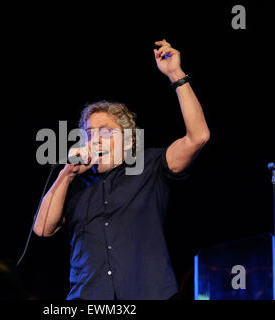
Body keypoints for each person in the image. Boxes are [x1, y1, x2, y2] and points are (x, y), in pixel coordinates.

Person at [33, 39, 210, 300]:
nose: (97, 139)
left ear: (128, 139)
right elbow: (42, 229)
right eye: (91, 133)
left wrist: (176, 75)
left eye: (107, 132)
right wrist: (66, 173)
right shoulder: (75, 183)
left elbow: (199, 137)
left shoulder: (149, 166)